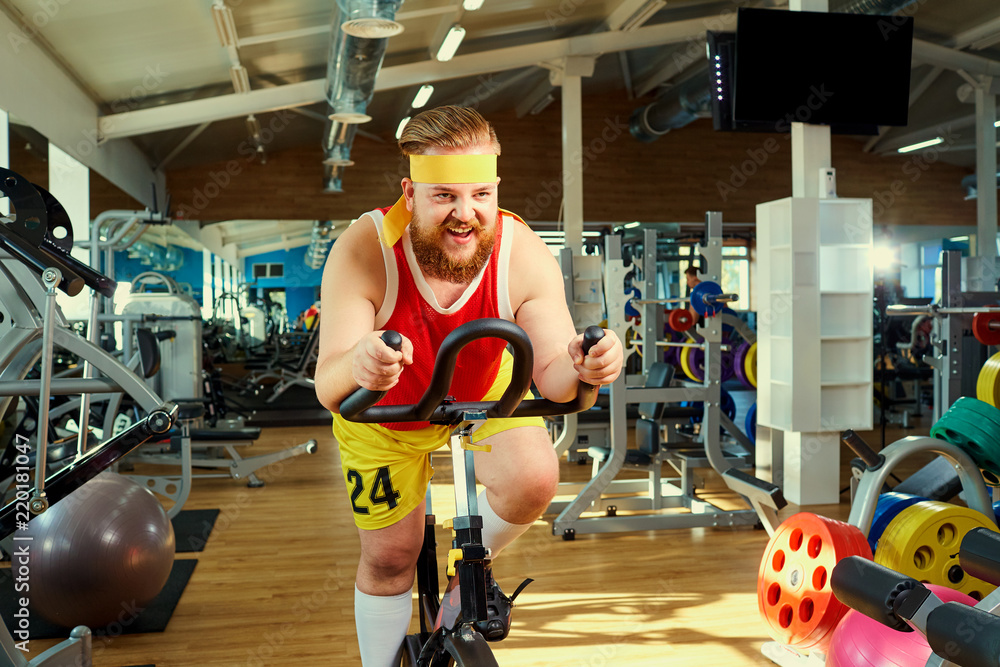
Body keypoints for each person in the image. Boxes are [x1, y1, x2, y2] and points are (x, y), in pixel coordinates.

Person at [314, 105, 624, 667]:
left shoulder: (522, 251)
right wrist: (359, 364)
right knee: (391, 557)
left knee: (535, 479)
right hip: (386, 412)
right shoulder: (365, 249)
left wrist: (585, 364)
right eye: (445, 197)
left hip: (483, 393)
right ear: (409, 194)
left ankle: (467, 576)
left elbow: (553, 374)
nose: (466, 215)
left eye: (481, 194)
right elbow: (329, 381)